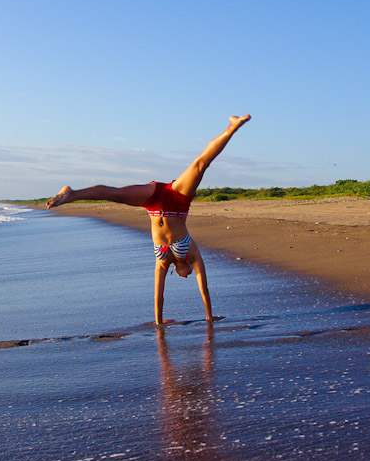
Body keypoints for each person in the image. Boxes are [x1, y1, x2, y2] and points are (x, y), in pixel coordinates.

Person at [46, 114, 251, 325]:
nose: (188, 276)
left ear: (176, 272)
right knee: (200, 165)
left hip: (153, 203)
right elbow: (204, 288)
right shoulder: (193, 255)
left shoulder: (163, 262)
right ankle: (232, 127)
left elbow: (158, 295)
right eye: (190, 275)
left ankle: (72, 194)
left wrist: (159, 322)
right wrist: (209, 317)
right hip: (177, 199)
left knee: (116, 195)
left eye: (184, 277)